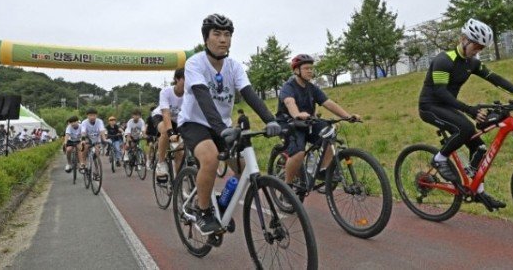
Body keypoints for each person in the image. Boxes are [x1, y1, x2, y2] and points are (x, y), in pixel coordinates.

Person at [178, 13, 281, 234]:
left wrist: (271, 120)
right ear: (206, 38)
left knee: (244, 169)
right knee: (210, 158)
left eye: (227, 35)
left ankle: (222, 204)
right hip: (194, 122)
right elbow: (203, 98)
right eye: (217, 34)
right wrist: (222, 129)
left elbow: (249, 94)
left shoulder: (234, 66)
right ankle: (203, 210)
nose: (223, 39)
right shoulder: (194, 63)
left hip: (222, 126)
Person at [418, 18, 513, 210]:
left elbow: (494, 78)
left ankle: (478, 190)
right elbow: (440, 93)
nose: (478, 51)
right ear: (464, 39)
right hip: (430, 106)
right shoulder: (443, 60)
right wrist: (470, 110)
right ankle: (439, 158)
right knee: (464, 129)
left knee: (479, 147)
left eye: (482, 48)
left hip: (448, 106)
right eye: (477, 46)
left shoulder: (472, 63)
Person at [276, 54, 360, 190]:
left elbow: (328, 103)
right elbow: (289, 102)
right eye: (306, 68)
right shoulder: (288, 87)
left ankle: (323, 170)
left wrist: (347, 116)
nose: (310, 71)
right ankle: (287, 187)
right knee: (298, 153)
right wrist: (297, 114)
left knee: (328, 132)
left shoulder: (312, 88)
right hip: (289, 123)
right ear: (297, 70)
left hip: (308, 122)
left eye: (311, 68)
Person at [152, 69, 185, 177]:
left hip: (177, 120)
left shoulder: (190, 94)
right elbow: (166, 114)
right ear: (177, 79)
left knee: (179, 154)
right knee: (166, 131)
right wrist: (171, 132)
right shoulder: (166, 92)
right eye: (185, 79)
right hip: (161, 116)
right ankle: (161, 162)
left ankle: (177, 183)